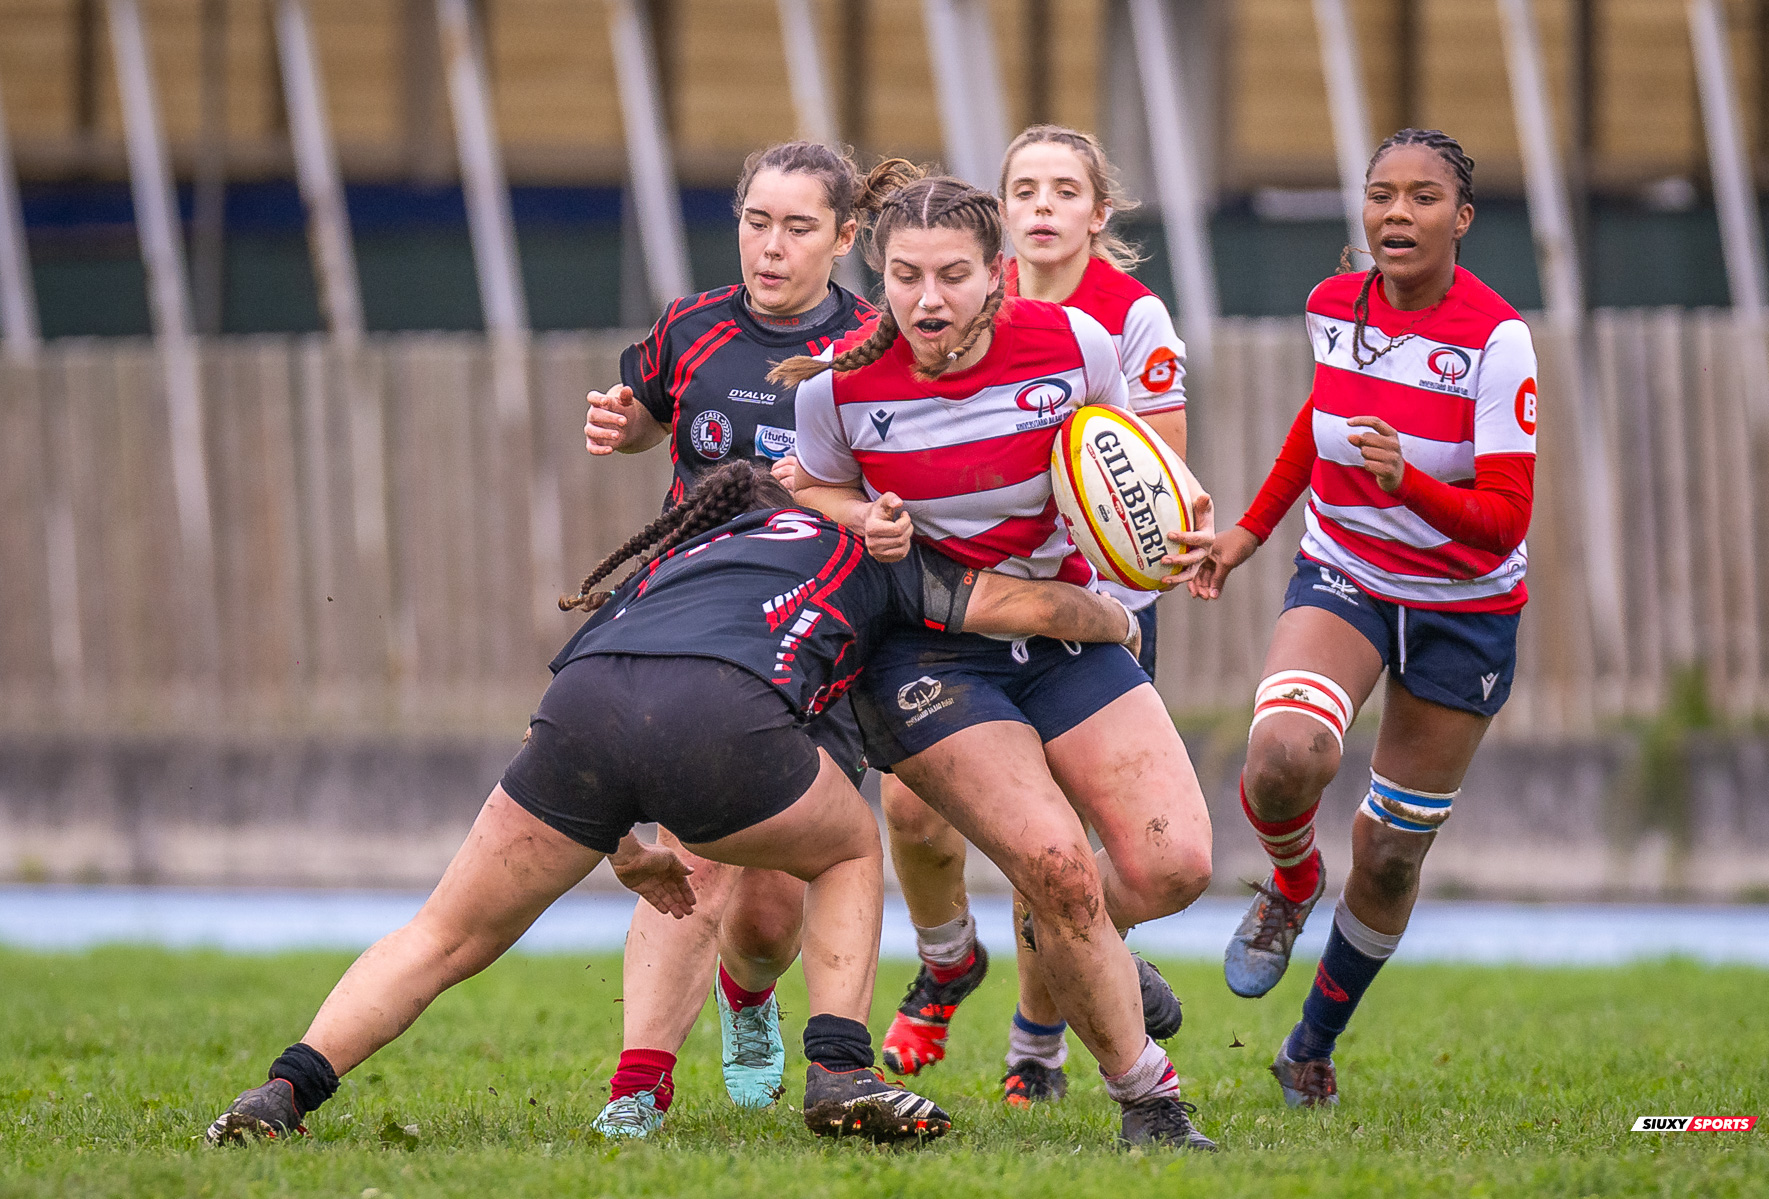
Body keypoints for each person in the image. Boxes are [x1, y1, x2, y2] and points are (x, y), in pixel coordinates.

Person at [203, 461, 1144, 1147]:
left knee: (443, 933)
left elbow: (615, 705)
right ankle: (841, 1069)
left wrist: (624, 843)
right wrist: (1117, 614)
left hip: (578, 709)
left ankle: (281, 1092)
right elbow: (1023, 609)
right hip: (723, 715)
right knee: (850, 849)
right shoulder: (868, 545)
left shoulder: (679, 558)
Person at [778, 160, 1221, 1150]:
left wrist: (1160, 544)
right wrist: (863, 514)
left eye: (951, 275)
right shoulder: (844, 390)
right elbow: (806, 492)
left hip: (1063, 631)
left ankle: (1077, 937)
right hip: (928, 656)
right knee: (1060, 866)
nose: (926, 299)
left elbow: (1135, 472)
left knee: (1177, 866)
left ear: (998, 271)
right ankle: (1150, 1103)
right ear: (881, 274)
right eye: (904, 276)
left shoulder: (1073, 342)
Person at [1195, 129, 1537, 1108]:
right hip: (1345, 572)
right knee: (1283, 754)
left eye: (1422, 197)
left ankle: (1310, 1044)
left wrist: (1411, 482)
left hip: (1462, 606)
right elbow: (1322, 415)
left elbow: (1505, 519)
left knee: (1390, 849)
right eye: (1380, 194)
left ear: (1461, 218)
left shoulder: (1497, 339)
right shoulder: (1330, 307)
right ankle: (1291, 880)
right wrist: (1249, 532)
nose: (1396, 213)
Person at [870, 126, 1194, 1108]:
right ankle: (953, 960)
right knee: (921, 813)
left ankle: (1035, 1043)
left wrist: (1135, 567)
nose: (1045, 205)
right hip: (949, 627)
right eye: (1026, 188)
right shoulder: (919, 318)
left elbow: (1153, 482)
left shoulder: (1121, 324)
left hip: (1094, 617)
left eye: (1066, 189)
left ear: (1100, 212)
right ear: (998, 214)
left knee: (1059, 854)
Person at [581, 142, 882, 1130]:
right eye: (757, 220)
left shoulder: (877, 345)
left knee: (765, 918)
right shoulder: (692, 326)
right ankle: (638, 1091)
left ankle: (748, 996)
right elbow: (647, 418)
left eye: (798, 227)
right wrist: (620, 420)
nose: (771, 244)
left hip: (816, 632)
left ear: (844, 237)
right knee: (695, 858)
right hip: (696, 626)